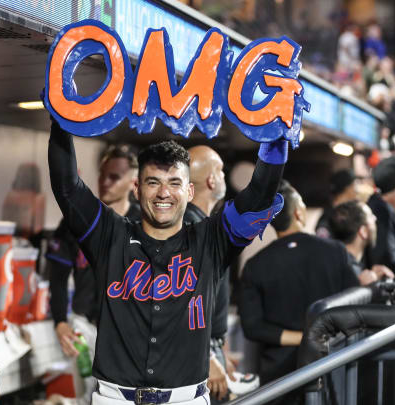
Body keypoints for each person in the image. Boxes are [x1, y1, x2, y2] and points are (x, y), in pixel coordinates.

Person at [48, 118, 286, 405]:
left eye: (175, 183)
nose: (164, 193)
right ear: (137, 189)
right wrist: (60, 122)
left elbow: (258, 198)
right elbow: (67, 188)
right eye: (153, 182)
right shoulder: (109, 235)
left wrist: (277, 136)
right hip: (115, 399)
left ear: (189, 191)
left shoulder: (211, 240)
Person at [239, 181, 359, 405]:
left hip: (280, 380)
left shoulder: (255, 265)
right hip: (329, 364)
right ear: (298, 212)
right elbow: (355, 304)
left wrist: (300, 338)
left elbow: (252, 327)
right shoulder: (334, 252)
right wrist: (315, 337)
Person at [49, 145, 141, 356]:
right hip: (84, 325)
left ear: (132, 183)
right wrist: (60, 321)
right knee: (85, 390)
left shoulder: (143, 224)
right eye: (102, 175)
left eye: (114, 177)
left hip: (128, 328)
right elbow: (58, 277)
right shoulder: (79, 220)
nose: (105, 182)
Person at [185, 146, 236, 402]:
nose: (224, 177)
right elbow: (182, 299)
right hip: (197, 354)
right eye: (222, 170)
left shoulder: (200, 224)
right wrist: (208, 357)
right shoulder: (194, 229)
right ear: (211, 179)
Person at [328, 200, 395, 285]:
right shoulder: (351, 274)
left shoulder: (335, 264)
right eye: (370, 216)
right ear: (363, 231)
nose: (375, 218)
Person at [316, 168, 359, 239]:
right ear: (347, 188)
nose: (357, 190)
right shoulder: (327, 219)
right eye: (355, 184)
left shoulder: (349, 212)